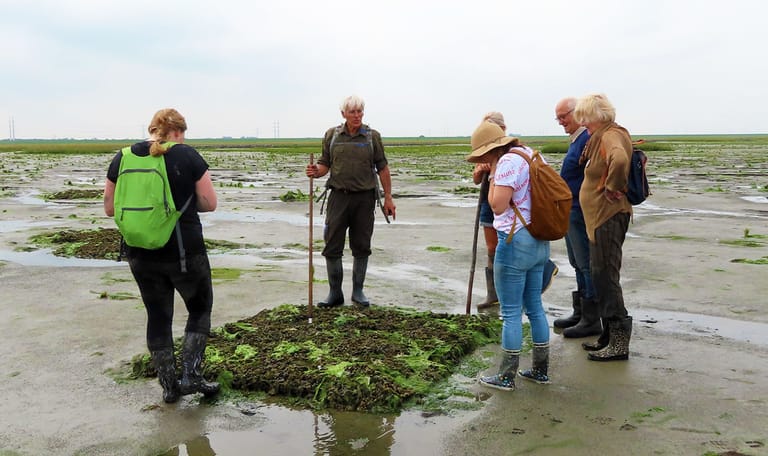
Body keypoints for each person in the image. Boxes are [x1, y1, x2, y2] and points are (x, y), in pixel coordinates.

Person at [103, 108, 220, 403]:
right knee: (199, 309)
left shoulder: (123, 157)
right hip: (183, 250)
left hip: (140, 252)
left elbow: (109, 208)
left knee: (157, 315)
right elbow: (209, 203)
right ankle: (191, 376)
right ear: (178, 132)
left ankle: (169, 387)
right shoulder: (187, 155)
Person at [468, 121, 551, 391]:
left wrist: (493, 175)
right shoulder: (531, 154)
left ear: (490, 150)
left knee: (511, 313)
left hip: (514, 241)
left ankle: (506, 376)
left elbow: (497, 205)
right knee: (535, 307)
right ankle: (540, 370)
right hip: (539, 238)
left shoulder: (505, 163)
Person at [305, 95, 396, 308]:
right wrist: (315, 171)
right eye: (352, 112)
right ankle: (335, 294)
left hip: (364, 199)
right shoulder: (332, 136)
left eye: (360, 111)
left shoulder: (372, 137)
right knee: (332, 245)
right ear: (343, 114)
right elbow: (325, 164)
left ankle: (358, 291)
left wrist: (388, 198)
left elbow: (382, 168)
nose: (357, 115)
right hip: (338, 197)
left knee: (362, 245)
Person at [472, 112, 558, 311]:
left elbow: (499, 204)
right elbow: (477, 179)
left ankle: (535, 276)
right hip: (492, 202)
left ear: (502, 129)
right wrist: (481, 170)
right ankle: (494, 293)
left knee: (516, 249)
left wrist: (494, 171)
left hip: (511, 209)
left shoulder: (510, 158)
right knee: (492, 247)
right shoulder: (494, 155)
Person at [573, 94, 634, 361]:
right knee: (600, 275)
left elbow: (619, 160)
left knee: (607, 276)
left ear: (597, 116)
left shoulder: (611, 135)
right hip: (600, 218)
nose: (582, 123)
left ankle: (619, 343)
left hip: (609, 216)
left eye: (585, 118)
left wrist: (612, 187)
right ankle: (608, 337)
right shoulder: (602, 136)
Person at [553, 98, 601, 338]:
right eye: (558, 118)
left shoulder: (587, 139)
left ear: (578, 113)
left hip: (580, 210)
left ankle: (591, 319)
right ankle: (581, 312)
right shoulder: (577, 140)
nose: (561, 122)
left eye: (564, 116)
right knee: (576, 262)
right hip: (570, 209)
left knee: (585, 263)